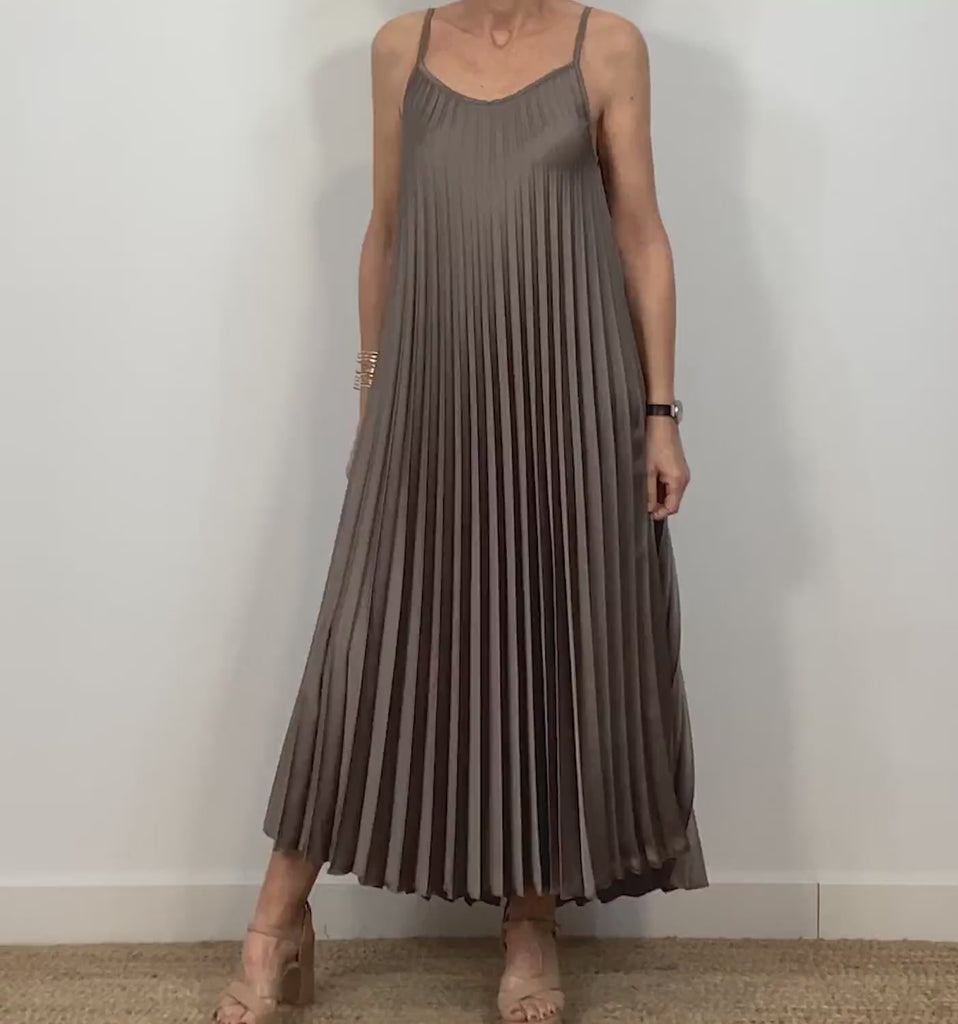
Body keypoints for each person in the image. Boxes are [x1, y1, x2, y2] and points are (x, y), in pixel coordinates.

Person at [213, 2, 706, 1021]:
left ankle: (530, 923)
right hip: (430, 393)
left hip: (572, 393)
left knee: (547, 637)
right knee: (363, 648)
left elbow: (641, 235)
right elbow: (387, 233)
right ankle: (276, 921)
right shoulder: (400, 48)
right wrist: (372, 396)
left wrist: (659, 413)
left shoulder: (607, 45)